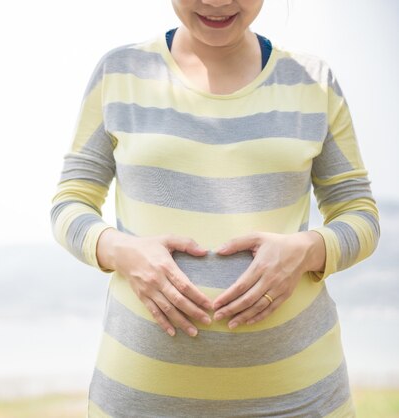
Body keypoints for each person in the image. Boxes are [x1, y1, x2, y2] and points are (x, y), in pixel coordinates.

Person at [50, 0, 380, 416]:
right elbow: (70, 202)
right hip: (141, 400)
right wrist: (121, 250)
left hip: (301, 398)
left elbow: (359, 214)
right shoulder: (120, 73)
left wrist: (307, 250)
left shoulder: (314, 81)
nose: (218, 2)